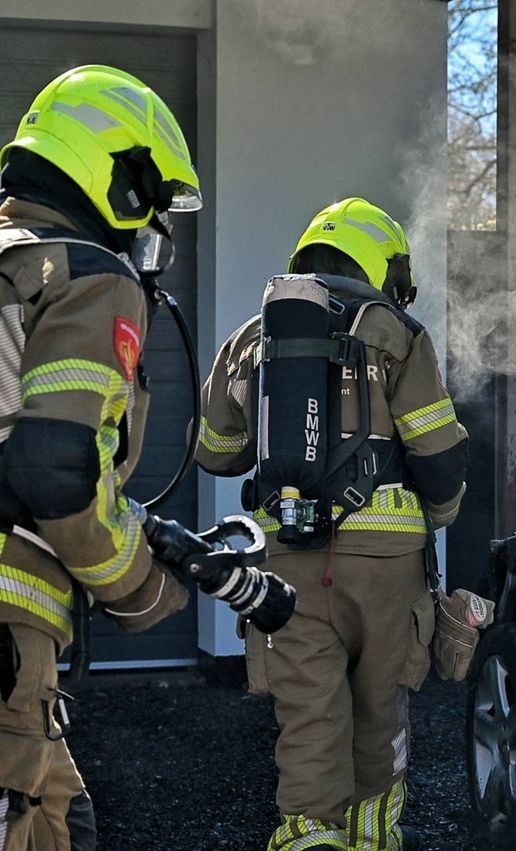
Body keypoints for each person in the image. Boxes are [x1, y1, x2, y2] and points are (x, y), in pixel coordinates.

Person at [197, 198, 468, 851]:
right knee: (380, 714)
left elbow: (213, 448)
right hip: (387, 573)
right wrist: (436, 519)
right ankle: (373, 838)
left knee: (310, 718)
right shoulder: (399, 335)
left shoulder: (252, 337)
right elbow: (438, 456)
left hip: (287, 563)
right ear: (380, 264)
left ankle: (309, 833)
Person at [0, 66, 203, 849]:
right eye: (148, 201)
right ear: (117, 177)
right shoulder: (84, 273)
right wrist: (145, 592)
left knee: (65, 818)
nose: (150, 228)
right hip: (8, 627)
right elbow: (55, 468)